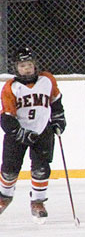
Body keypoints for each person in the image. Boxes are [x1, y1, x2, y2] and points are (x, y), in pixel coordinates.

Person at [0, 48, 66, 220]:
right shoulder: (11, 87)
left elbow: (56, 103)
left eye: (29, 65)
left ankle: (38, 201)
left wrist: (58, 120)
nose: (27, 69)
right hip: (18, 133)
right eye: (22, 66)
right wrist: (19, 133)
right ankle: (4, 196)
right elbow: (6, 117)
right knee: (9, 171)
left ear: (35, 65)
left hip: (43, 131)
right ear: (16, 68)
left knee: (41, 169)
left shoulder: (47, 80)